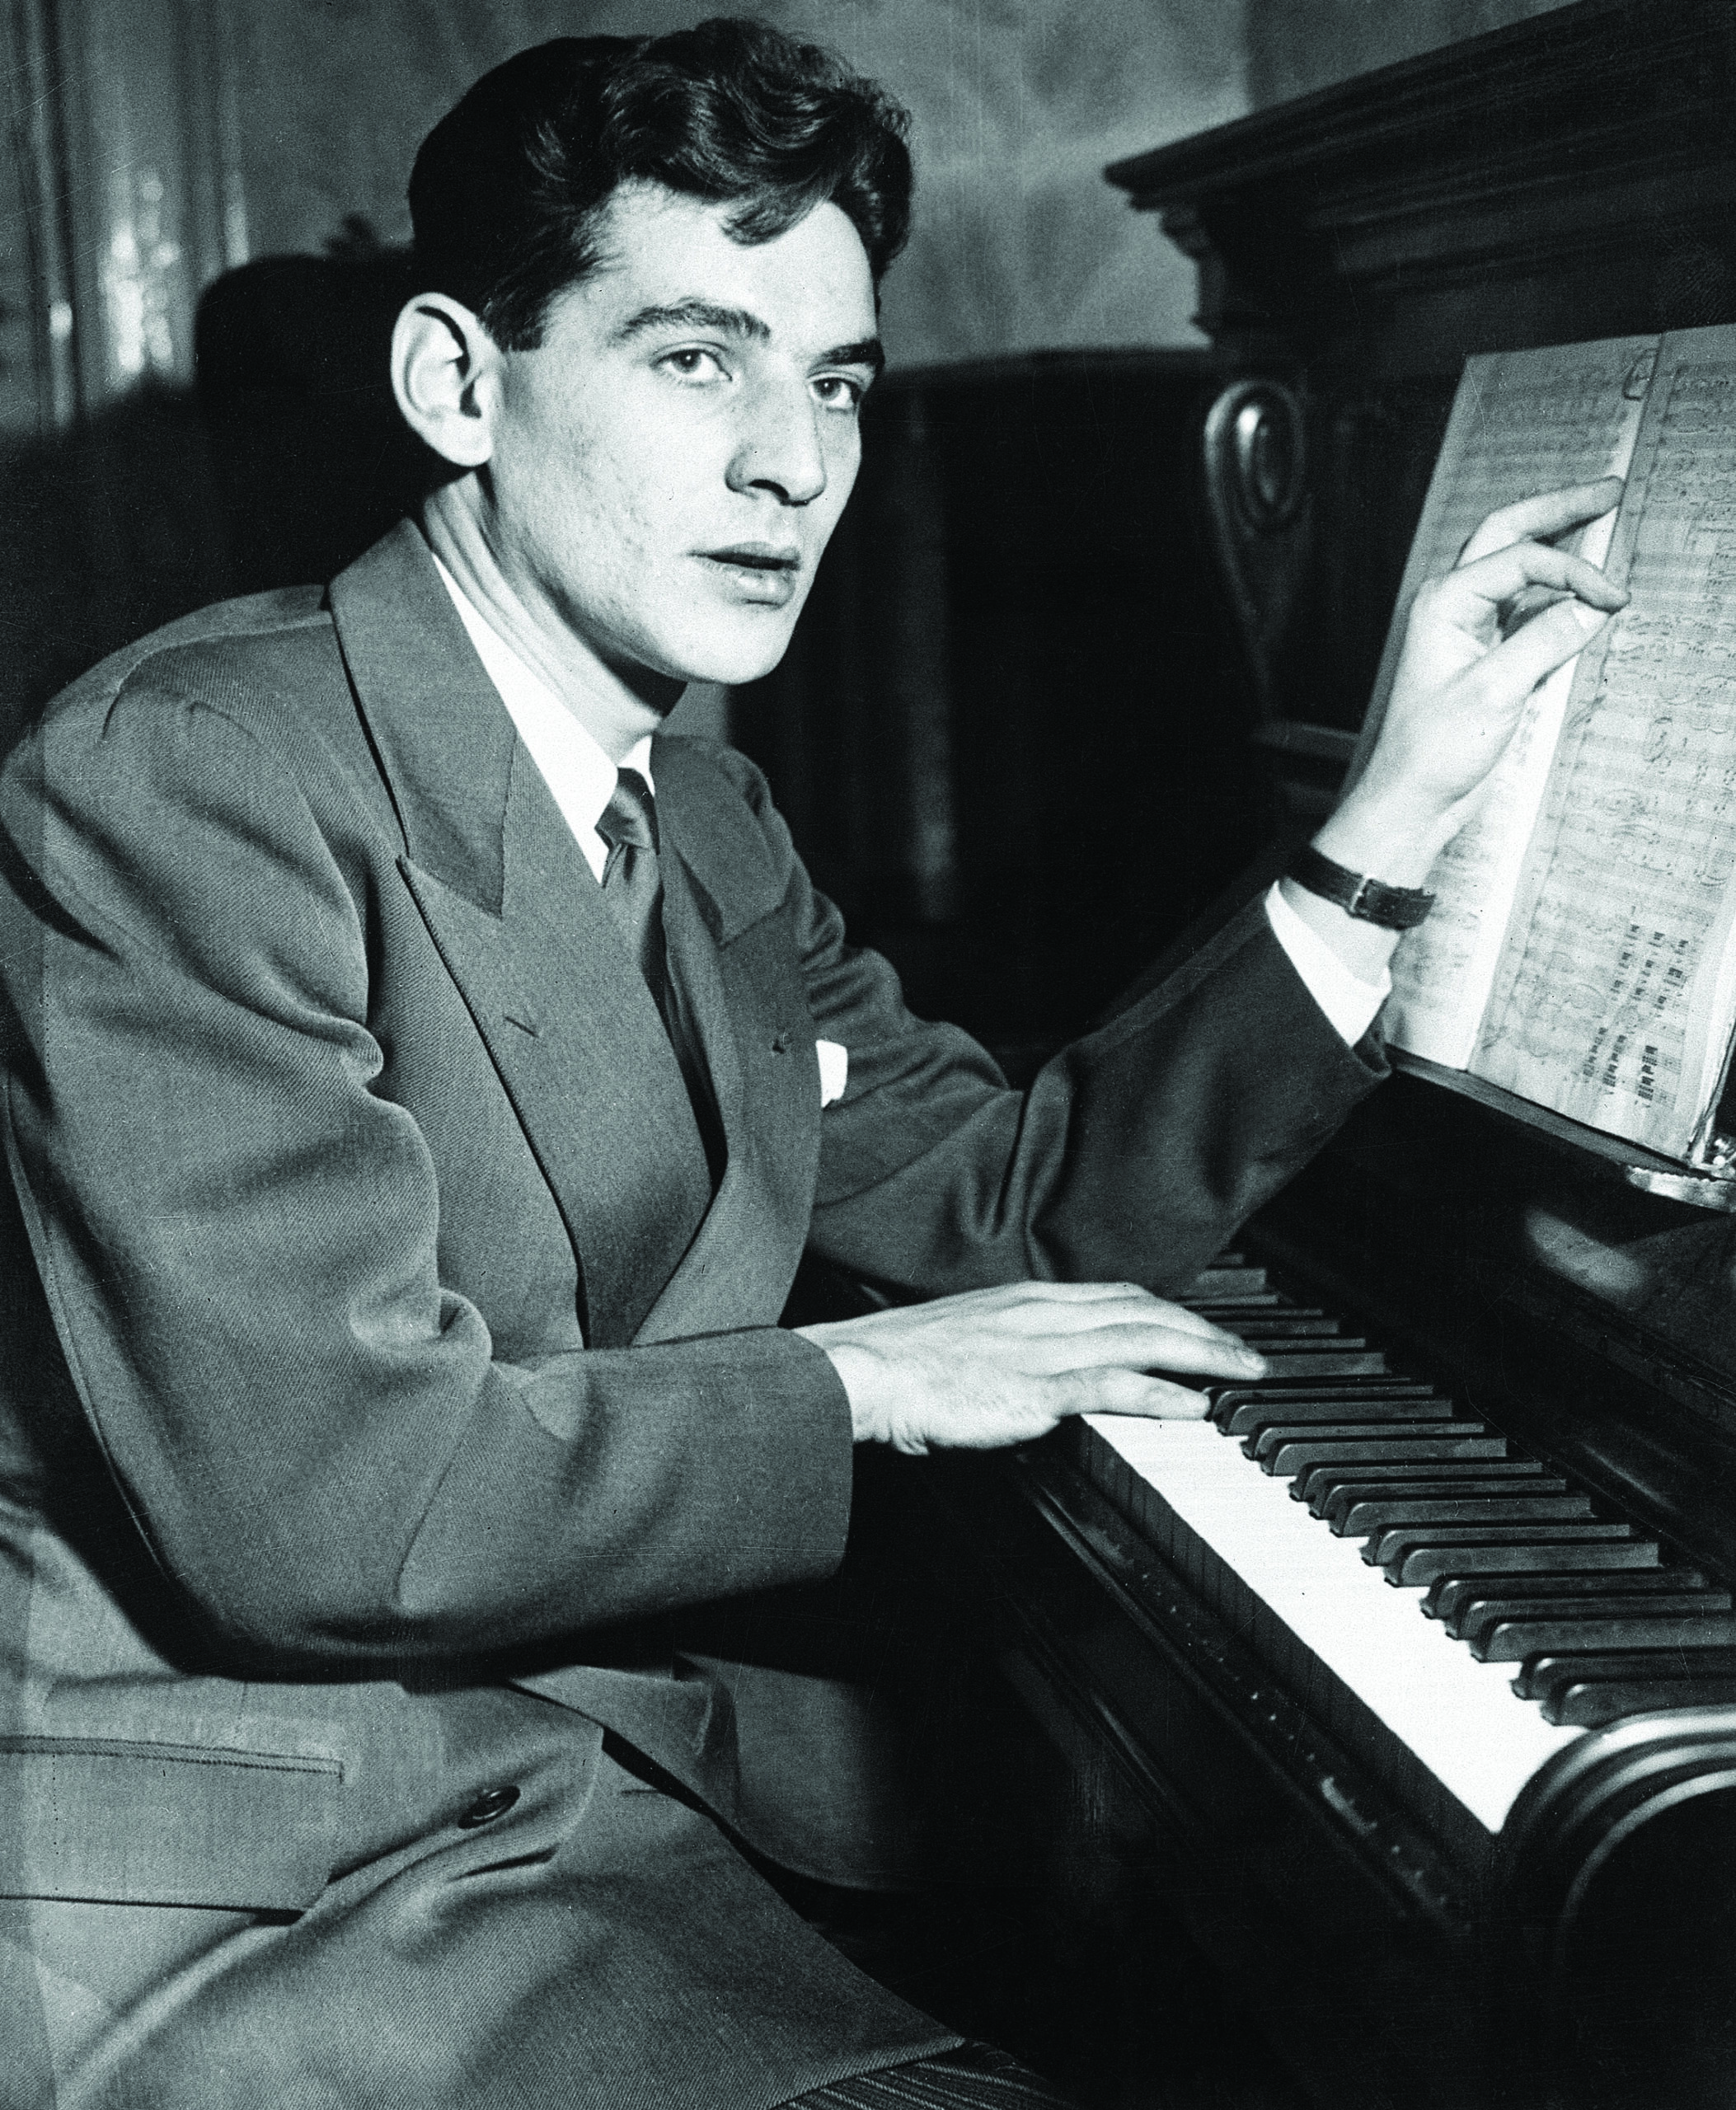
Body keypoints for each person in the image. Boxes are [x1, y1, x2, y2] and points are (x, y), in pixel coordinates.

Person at [0, 21, 1626, 2109]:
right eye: (700, 357)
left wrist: (1380, 829)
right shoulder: (188, 777)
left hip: (564, 1783)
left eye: (835, 379)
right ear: (457, 384)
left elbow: (1006, 1206)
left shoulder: (697, 810)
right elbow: (334, 1507)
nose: (797, 461)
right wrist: (862, 1384)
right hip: (246, 1873)